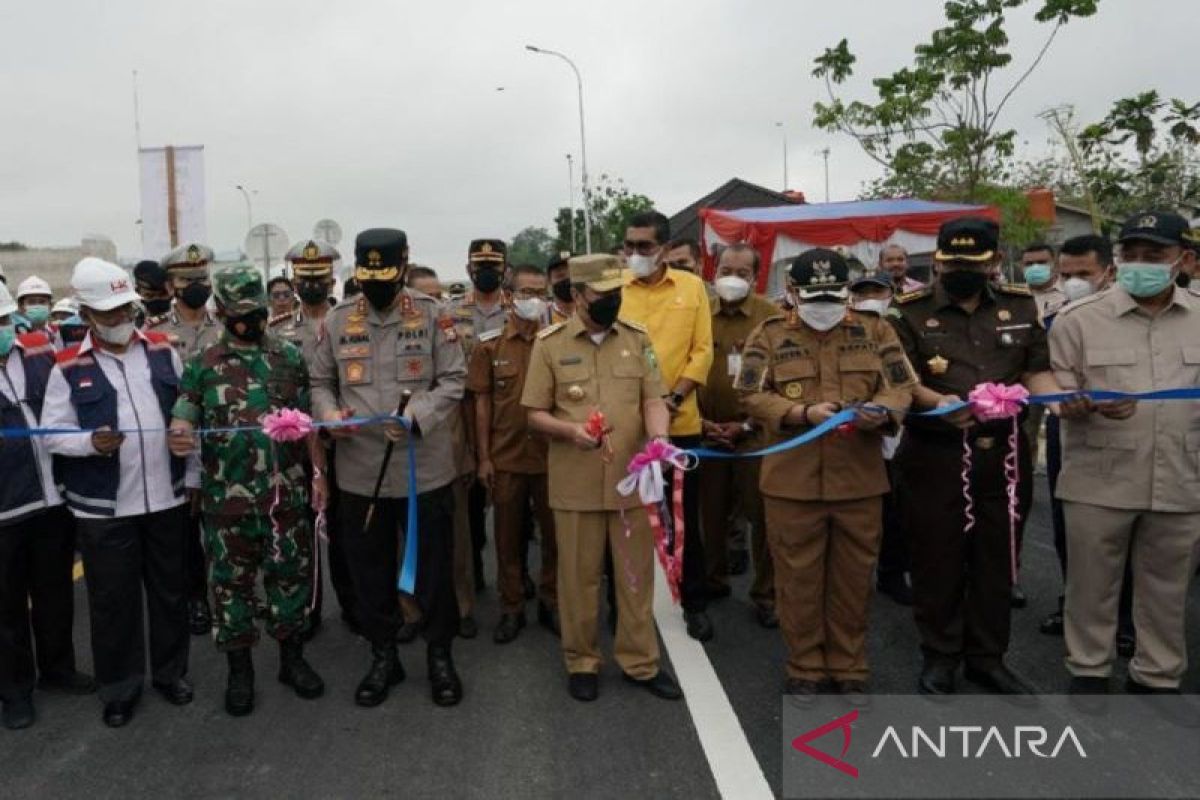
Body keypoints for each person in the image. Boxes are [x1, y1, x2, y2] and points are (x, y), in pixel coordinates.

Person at [891, 217, 1060, 697]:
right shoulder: (907, 311)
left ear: (992, 262)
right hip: (934, 456)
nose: (959, 271)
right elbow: (899, 378)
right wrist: (934, 403)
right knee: (936, 559)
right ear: (940, 261)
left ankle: (988, 657)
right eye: (951, 263)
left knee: (997, 560)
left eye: (972, 263)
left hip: (1004, 457)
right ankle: (940, 655)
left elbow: (1037, 372)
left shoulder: (1019, 305)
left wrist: (1063, 401)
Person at [738, 249, 915, 706]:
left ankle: (849, 665)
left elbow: (900, 384)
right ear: (793, 293)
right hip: (791, 484)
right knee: (798, 580)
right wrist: (800, 413)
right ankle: (805, 668)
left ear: (847, 292)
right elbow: (751, 393)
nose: (824, 305)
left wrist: (886, 411)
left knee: (853, 579)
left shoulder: (876, 330)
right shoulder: (769, 333)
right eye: (814, 296)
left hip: (859, 479)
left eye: (834, 295)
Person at [311, 228, 466, 708]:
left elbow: (454, 379)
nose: (377, 287)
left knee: (434, 572)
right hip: (360, 472)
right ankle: (384, 656)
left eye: (386, 276)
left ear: (404, 265)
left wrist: (417, 416)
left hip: (426, 468)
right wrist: (329, 415)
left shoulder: (434, 316)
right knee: (370, 572)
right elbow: (320, 381)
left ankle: (440, 655)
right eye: (368, 277)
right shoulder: (337, 322)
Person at [1051, 211, 1200, 696]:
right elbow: (1056, 392)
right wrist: (1073, 405)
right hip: (1100, 475)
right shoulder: (1078, 320)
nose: (1140, 265)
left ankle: (1157, 673)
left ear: (1184, 259)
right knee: (1091, 585)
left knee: (1167, 587)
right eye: (1130, 255)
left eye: (1153, 256)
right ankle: (1089, 667)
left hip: (1182, 475)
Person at [522, 253, 681, 703]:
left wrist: (659, 439)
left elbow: (654, 397)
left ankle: (640, 662)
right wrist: (569, 431)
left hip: (631, 480)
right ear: (576, 295)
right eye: (602, 295)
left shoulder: (637, 339)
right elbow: (533, 413)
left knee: (634, 580)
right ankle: (582, 660)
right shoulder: (549, 344)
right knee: (579, 579)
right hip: (575, 483)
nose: (612, 302)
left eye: (617, 294)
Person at [169, 264, 326, 716]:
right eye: (239, 313)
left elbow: (310, 423)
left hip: (285, 496)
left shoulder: (288, 357)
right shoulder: (201, 363)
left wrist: (319, 475)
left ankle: (292, 660)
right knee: (231, 589)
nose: (250, 320)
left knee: (290, 582)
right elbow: (185, 416)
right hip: (226, 502)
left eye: (256, 311)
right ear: (220, 311)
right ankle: (241, 671)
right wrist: (179, 432)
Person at [42, 257, 192, 728]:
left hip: (166, 497)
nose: (121, 321)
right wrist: (90, 443)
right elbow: (50, 435)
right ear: (85, 315)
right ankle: (120, 688)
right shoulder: (66, 367)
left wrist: (194, 472)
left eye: (125, 310)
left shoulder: (163, 352)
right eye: (108, 314)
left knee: (170, 593)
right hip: (104, 508)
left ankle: (170, 674)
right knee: (113, 601)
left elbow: (189, 415)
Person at [0, 282, 94, 730]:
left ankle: (58, 668)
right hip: (5, 511)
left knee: (54, 592)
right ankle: (15, 689)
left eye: (3, 322)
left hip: (52, 499)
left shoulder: (38, 354)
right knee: (7, 606)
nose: (3, 331)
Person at [618, 210, 715, 642]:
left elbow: (703, 351)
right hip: (625, 424)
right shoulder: (614, 288)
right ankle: (621, 605)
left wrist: (673, 399)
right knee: (624, 518)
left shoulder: (693, 288)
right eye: (629, 246)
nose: (635, 254)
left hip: (681, 421)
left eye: (643, 246)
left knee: (681, 517)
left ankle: (694, 602)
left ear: (663, 246)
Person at [1037, 234, 1133, 653]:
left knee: (1132, 532)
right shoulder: (1061, 318)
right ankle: (1074, 605)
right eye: (1067, 274)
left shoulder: (1135, 317)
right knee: (1073, 530)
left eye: (1084, 274)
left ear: (1109, 272)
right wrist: (1063, 401)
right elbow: (1047, 374)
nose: (1074, 281)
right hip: (1074, 433)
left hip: (1136, 438)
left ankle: (1126, 619)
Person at [271, 239, 358, 638]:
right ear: (293, 279)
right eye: (304, 278)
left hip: (345, 442)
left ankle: (355, 606)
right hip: (293, 448)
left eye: (318, 278)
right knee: (300, 531)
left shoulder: (350, 321)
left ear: (331, 279)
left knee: (346, 531)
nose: (311, 284)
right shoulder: (278, 331)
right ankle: (308, 608)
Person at [468, 264, 559, 643]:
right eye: (526, 292)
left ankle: (551, 602)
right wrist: (484, 458)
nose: (533, 300)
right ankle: (512, 607)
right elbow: (482, 405)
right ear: (510, 295)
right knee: (507, 539)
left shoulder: (558, 340)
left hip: (552, 458)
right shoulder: (490, 345)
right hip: (506, 458)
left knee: (555, 538)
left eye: (540, 292)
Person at [696, 243, 777, 627]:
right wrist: (700, 423)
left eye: (742, 273)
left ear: (755, 277)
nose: (732, 278)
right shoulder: (697, 312)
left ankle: (766, 595)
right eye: (725, 269)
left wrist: (746, 424)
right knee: (709, 515)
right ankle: (713, 581)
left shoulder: (772, 318)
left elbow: (782, 381)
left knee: (762, 518)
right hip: (706, 433)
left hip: (755, 435)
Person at [147, 242, 222, 638]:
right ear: (171, 285)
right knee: (185, 529)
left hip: (222, 443)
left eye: (202, 278)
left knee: (228, 522)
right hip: (178, 444)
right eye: (187, 279)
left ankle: (229, 593)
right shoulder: (155, 334)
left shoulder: (224, 327)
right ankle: (195, 598)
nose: (197, 285)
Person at [408, 262, 478, 641]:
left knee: (456, 538)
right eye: (427, 297)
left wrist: (468, 452)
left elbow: (465, 399)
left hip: (448, 447)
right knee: (407, 540)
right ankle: (411, 610)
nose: (437, 305)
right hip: (403, 451)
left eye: (439, 297)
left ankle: (462, 606)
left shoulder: (454, 338)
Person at [847, 268, 913, 606]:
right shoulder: (847, 331)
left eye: (878, 292)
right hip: (864, 432)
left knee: (900, 510)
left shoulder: (906, 324)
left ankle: (892, 572)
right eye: (863, 293)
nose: (870, 299)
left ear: (892, 295)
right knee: (873, 511)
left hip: (904, 426)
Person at [1019, 242, 1067, 321]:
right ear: (1021, 267)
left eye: (1041, 262)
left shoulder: (1069, 292)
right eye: (1029, 264)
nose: (1035, 267)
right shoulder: (1015, 297)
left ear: (1055, 265)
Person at [547, 252, 575, 324]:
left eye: (574, 274)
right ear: (549, 281)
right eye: (560, 275)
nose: (568, 279)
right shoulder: (542, 317)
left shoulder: (592, 315)